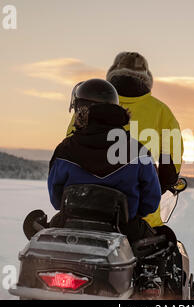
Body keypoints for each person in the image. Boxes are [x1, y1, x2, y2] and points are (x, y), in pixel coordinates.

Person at [66, 52, 184, 228]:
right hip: (139, 217)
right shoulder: (161, 112)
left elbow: (70, 146)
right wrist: (164, 183)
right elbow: (171, 163)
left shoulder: (90, 104)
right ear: (147, 78)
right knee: (166, 248)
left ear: (112, 74)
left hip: (82, 209)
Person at [48, 79, 161, 243]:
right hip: (126, 230)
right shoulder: (138, 152)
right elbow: (151, 201)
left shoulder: (65, 150)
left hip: (70, 226)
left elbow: (56, 199)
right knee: (164, 248)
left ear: (80, 110)